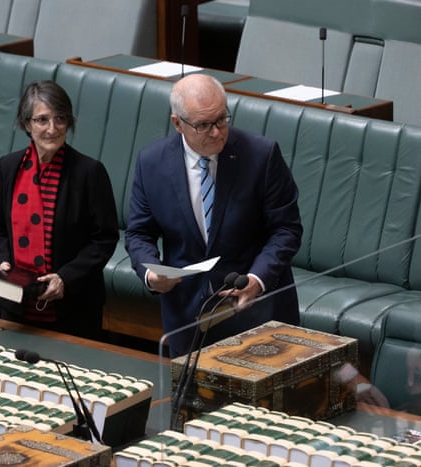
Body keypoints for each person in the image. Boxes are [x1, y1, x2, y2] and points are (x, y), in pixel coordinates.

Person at [125, 74, 303, 357]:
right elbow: (139, 233)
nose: (218, 132)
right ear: (177, 123)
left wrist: (257, 279)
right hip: (187, 314)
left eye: (222, 119)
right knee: (191, 401)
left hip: (256, 309)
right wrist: (150, 272)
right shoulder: (151, 163)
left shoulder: (261, 155)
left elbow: (286, 229)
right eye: (204, 125)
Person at [0, 81, 119, 340]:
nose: (52, 129)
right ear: (27, 124)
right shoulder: (7, 167)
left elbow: (104, 239)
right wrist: (0, 261)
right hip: (14, 301)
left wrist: (64, 278)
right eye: (42, 120)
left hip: (73, 307)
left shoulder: (89, 172)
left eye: (60, 119)